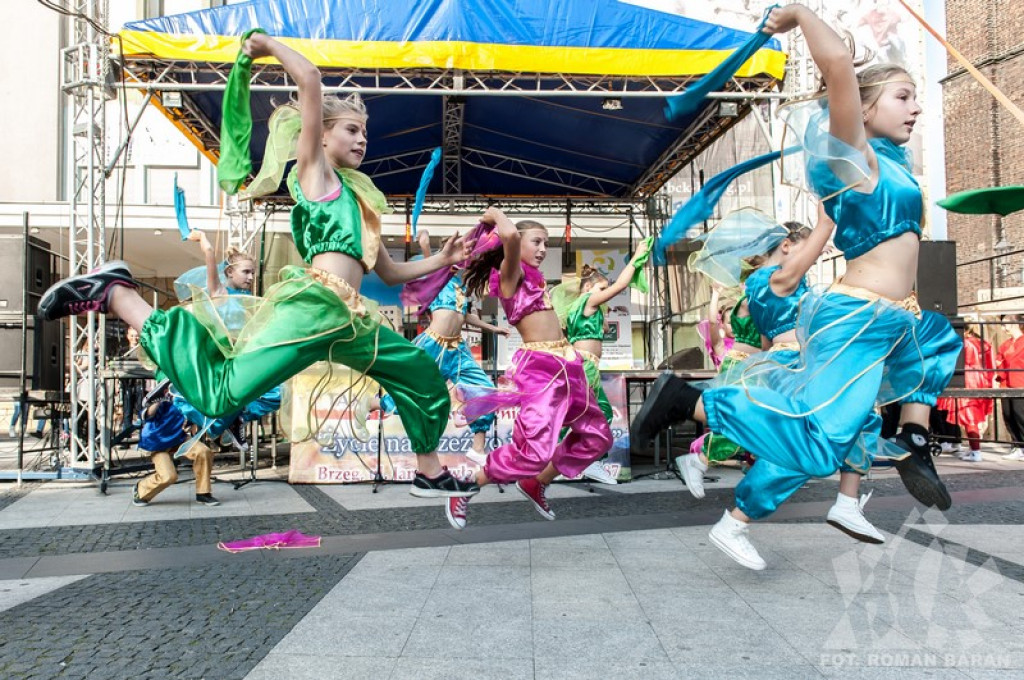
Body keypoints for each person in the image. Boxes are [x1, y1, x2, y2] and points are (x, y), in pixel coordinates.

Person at [38, 31, 478, 500]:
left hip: (349, 319)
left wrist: (442, 260)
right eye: (351, 129)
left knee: (417, 371)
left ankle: (429, 472)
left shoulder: (359, 198)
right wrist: (265, 45)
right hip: (313, 308)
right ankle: (119, 295)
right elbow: (308, 78)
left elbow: (388, 274)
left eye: (365, 133)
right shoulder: (316, 173)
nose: (362, 139)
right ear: (321, 135)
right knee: (219, 395)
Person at [632, 4, 961, 569]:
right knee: (818, 441)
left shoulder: (893, 166)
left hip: (895, 317)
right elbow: (835, 65)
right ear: (863, 107)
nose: (916, 107)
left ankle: (911, 440)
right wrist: (799, 14)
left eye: (915, 97)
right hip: (857, 315)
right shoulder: (856, 156)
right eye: (903, 96)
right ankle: (689, 403)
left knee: (935, 340)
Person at [444, 208, 613, 528]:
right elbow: (507, 234)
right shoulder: (511, 276)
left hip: (570, 368)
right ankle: (465, 487)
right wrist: (495, 213)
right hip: (541, 373)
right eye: (536, 241)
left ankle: (537, 482)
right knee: (532, 452)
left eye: (546, 243)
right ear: (517, 243)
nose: (543, 249)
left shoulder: (536, 281)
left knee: (597, 438)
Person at [380, 228, 508, 462]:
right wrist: (426, 245)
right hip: (433, 345)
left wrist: (493, 328)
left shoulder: (460, 287)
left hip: (457, 348)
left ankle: (478, 449)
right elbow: (436, 265)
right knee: (415, 392)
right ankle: (376, 403)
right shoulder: (438, 277)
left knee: (484, 391)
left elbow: (463, 315)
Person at [548, 245, 651, 484]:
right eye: (601, 288)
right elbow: (621, 286)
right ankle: (553, 461)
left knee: (592, 413)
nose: (605, 293)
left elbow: (602, 328)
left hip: (585, 365)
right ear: (587, 288)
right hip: (585, 366)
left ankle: (582, 461)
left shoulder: (582, 308)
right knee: (584, 414)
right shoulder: (588, 300)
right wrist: (635, 259)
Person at [132, 385, 219, 507]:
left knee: (203, 452)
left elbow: (194, 425)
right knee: (169, 476)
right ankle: (141, 489)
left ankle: (203, 493)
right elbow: (146, 415)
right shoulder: (164, 396)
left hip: (179, 438)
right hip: (156, 442)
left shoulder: (190, 396)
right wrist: (157, 401)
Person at [936, 321, 994, 462]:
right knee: (970, 416)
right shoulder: (982, 343)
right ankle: (973, 449)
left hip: (967, 379)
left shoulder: (965, 344)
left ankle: (975, 451)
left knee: (969, 416)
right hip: (978, 378)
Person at [997, 315, 1024, 460]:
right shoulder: (1006, 344)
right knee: (1008, 415)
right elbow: (999, 359)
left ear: (1014, 324)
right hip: (1006, 383)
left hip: (1020, 382)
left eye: (1005, 324)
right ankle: (1017, 445)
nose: (1004, 328)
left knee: (1020, 414)